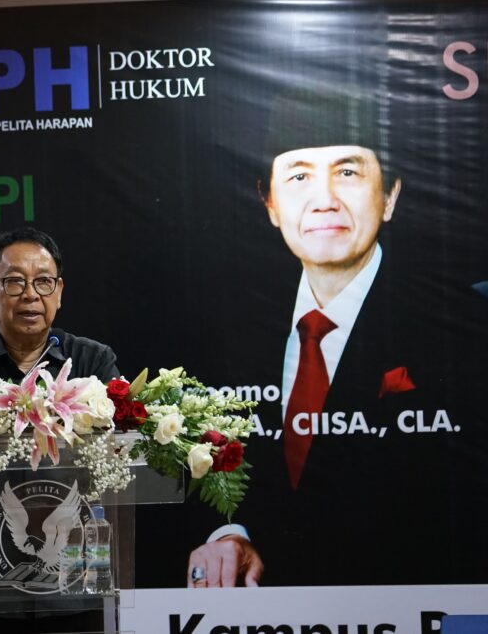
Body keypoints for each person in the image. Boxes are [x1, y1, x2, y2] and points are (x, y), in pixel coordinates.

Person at [177, 89, 486, 588]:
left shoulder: (462, 328)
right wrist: (230, 533)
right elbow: (192, 475)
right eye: (299, 177)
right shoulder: (223, 327)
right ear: (270, 202)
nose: (324, 200)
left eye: (347, 172)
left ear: (390, 196)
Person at [0, 227, 120, 634]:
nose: (31, 295)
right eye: (14, 282)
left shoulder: (93, 363)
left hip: (76, 586)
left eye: (43, 282)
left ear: (59, 292)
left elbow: (116, 458)